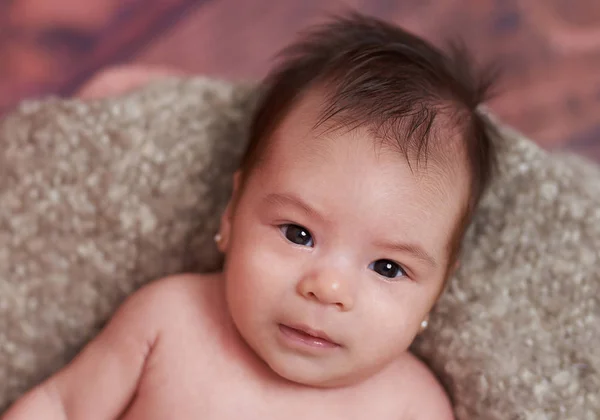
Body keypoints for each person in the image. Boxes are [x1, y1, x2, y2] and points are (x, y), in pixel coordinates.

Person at [3, 12, 497, 420]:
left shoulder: (410, 405)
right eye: (298, 233)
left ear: (436, 292)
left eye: (388, 267)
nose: (328, 288)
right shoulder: (170, 321)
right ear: (232, 215)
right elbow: (62, 406)